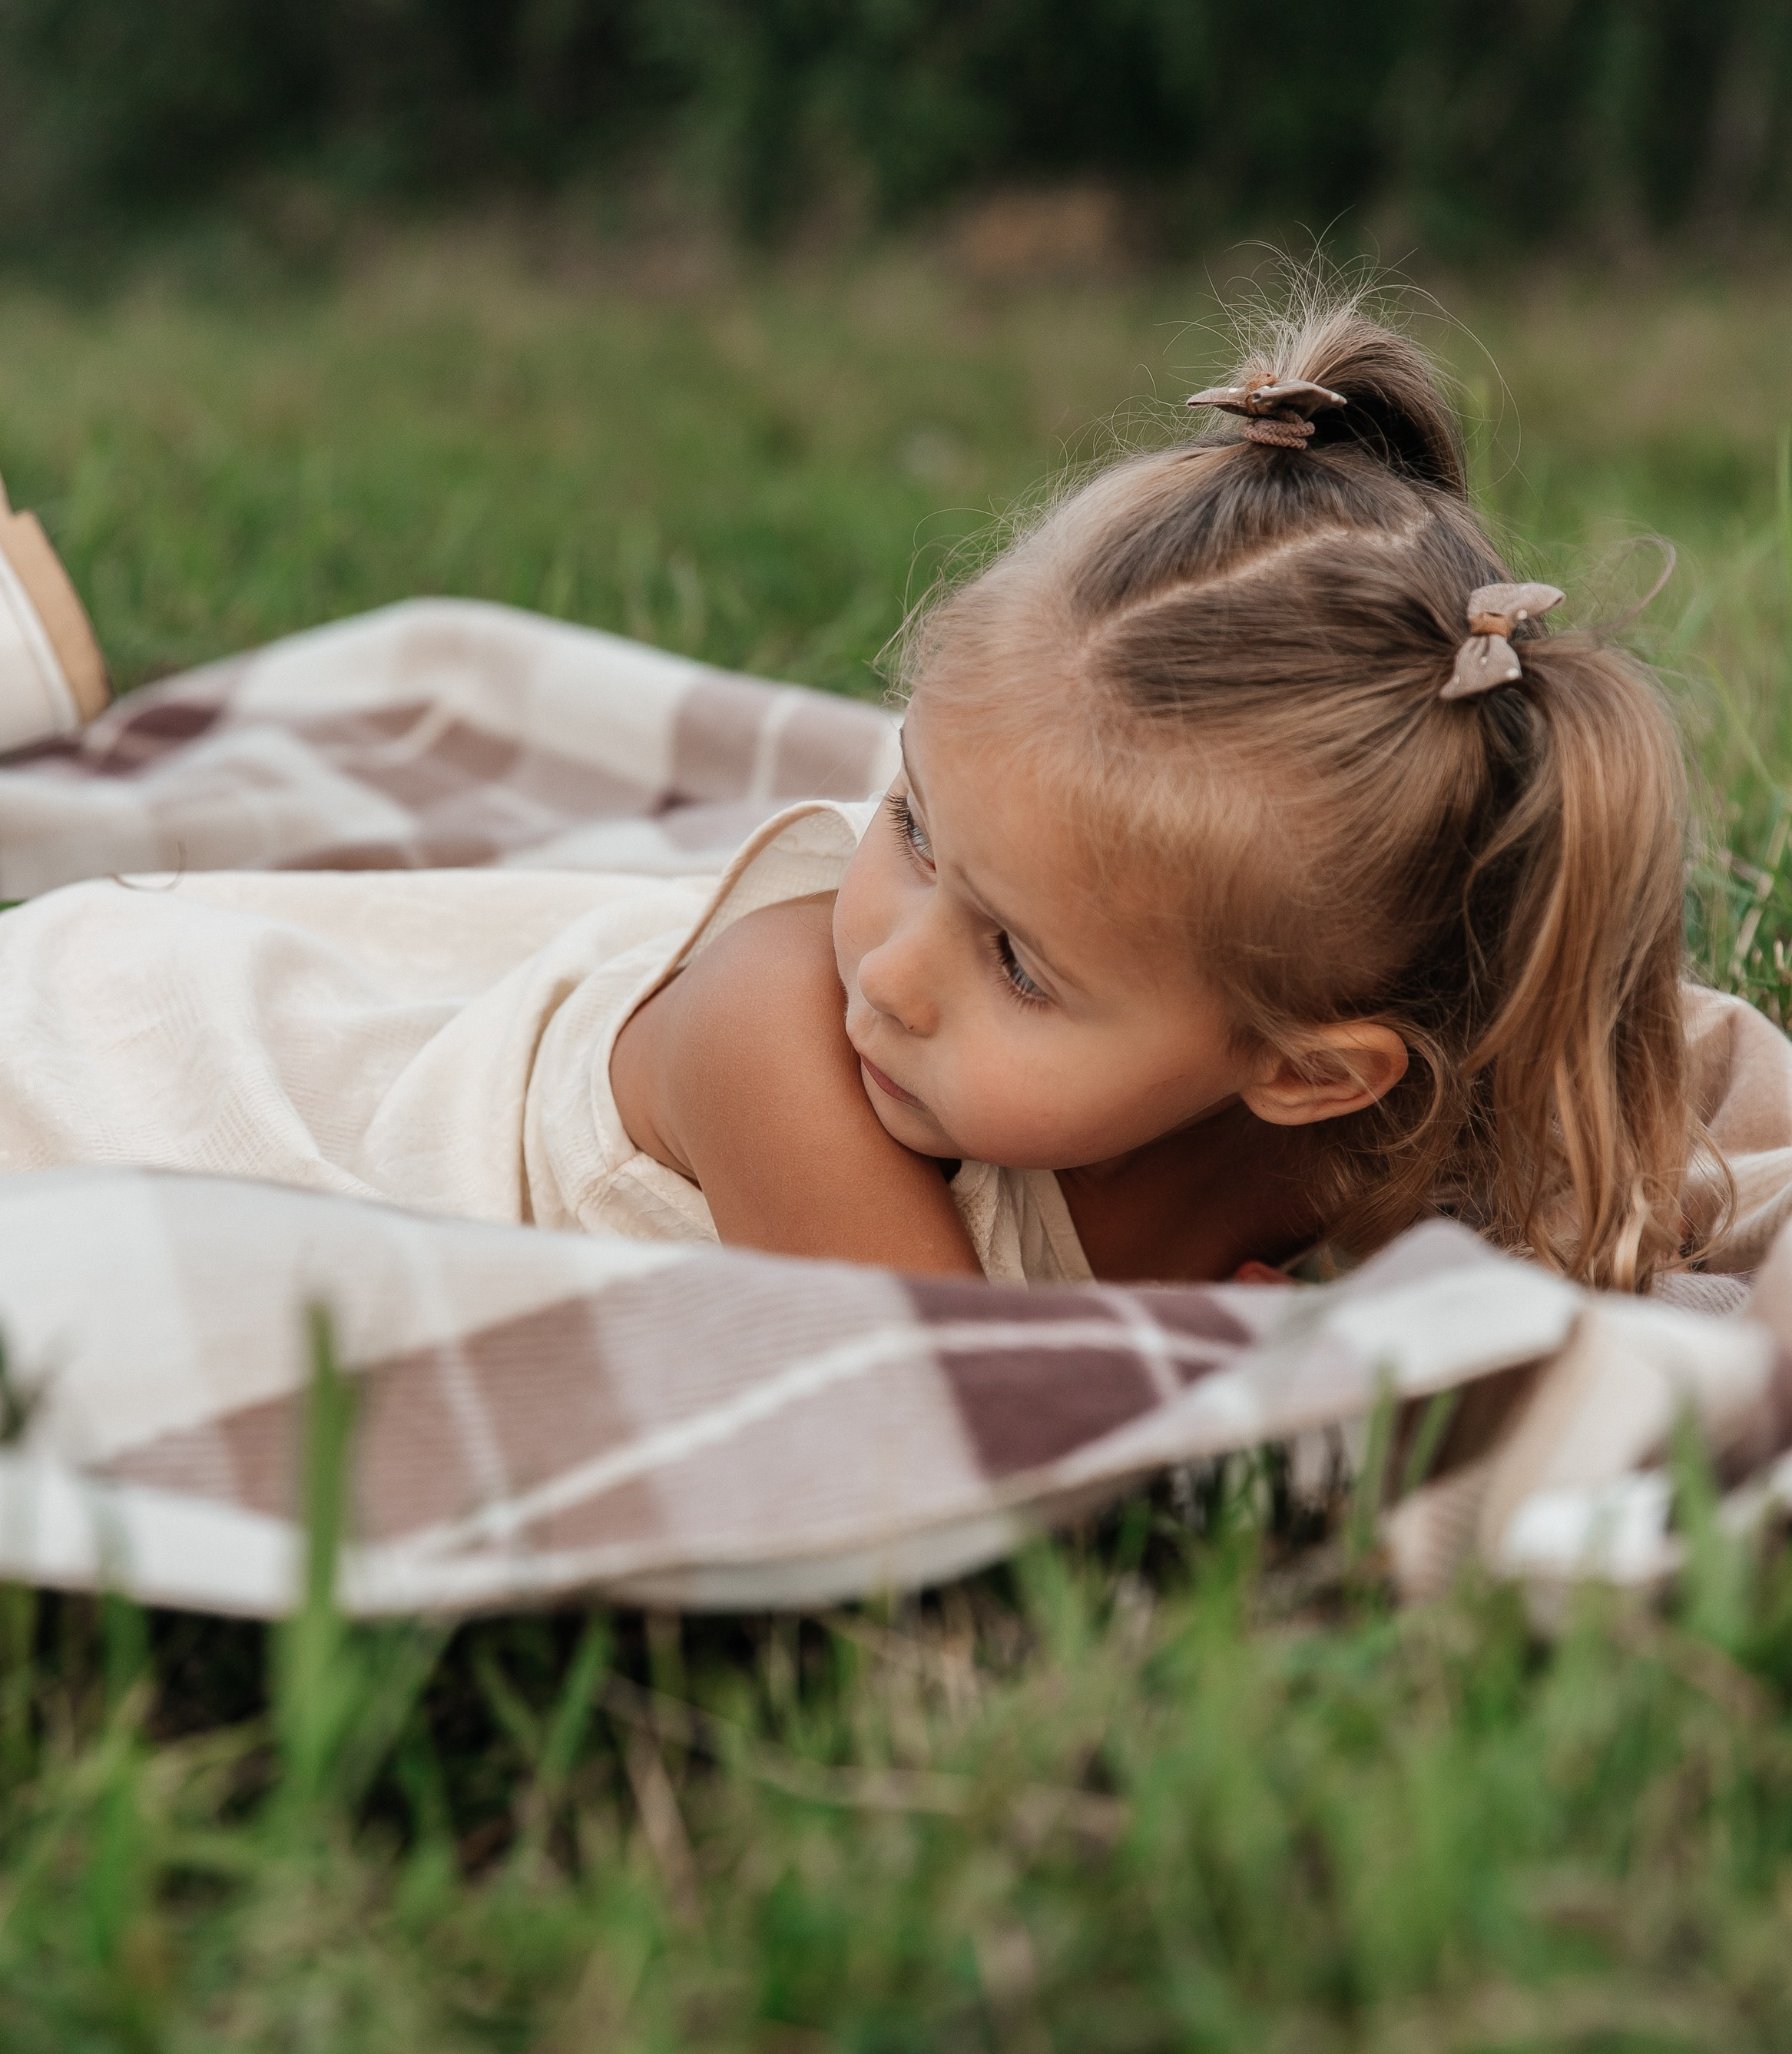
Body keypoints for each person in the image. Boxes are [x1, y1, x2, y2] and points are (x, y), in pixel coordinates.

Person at [0, 300, 1754, 1290]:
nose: (897, 963)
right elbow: (971, 1435)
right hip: (118, 1073)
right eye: (915, 822)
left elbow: (1611, 1207)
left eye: (1022, 963)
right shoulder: (779, 1039)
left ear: (1306, 1070)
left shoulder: (1362, 1127)